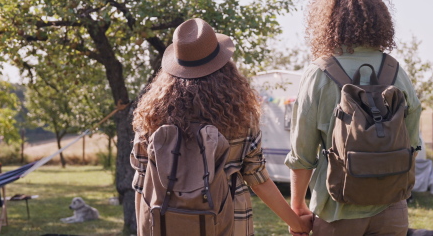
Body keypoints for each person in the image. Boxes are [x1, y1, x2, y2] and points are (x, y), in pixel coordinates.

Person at [131, 18, 312, 236]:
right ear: (224, 65)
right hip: (229, 223)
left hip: (165, 223)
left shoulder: (152, 115)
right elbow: (257, 179)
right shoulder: (240, 116)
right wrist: (297, 223)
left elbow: (141, 179)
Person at [285, 0, 422, 236]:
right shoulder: (395, 71)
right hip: (391, 209)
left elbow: (302, 152)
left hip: (336, 211)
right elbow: (412, 142)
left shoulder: (318, 73)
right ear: (380, 19)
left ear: (326, 21)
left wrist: (297, 206)